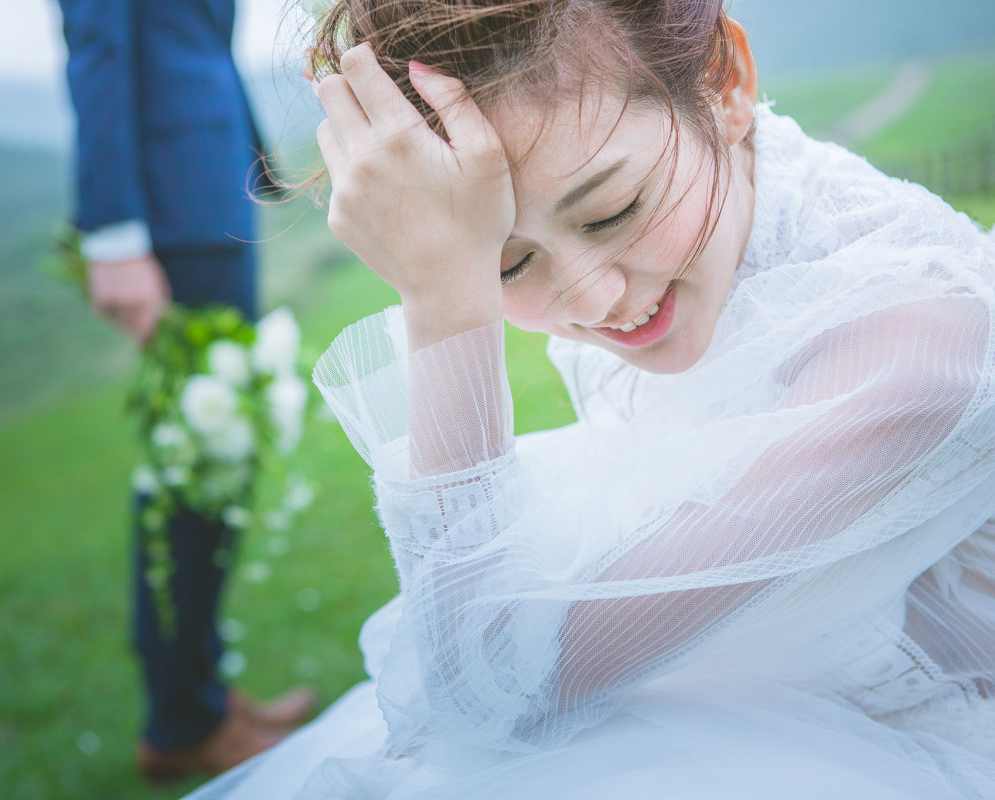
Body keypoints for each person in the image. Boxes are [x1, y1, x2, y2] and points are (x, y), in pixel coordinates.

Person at [182, 0, 995, 796]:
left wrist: (445, 303)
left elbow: (488, 697)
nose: (594, 298)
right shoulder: (717, 230)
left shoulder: (913, 345)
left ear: (725, 82)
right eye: (507, 264)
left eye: (613, 212)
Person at [56, 0, 314, 782]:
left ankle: (199, 693)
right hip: (173, 211)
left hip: (209, 185)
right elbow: (96, 47)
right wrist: (113, 236)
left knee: (215, 457)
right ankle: (182, 722)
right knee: (197, 459)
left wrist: (256, 157)